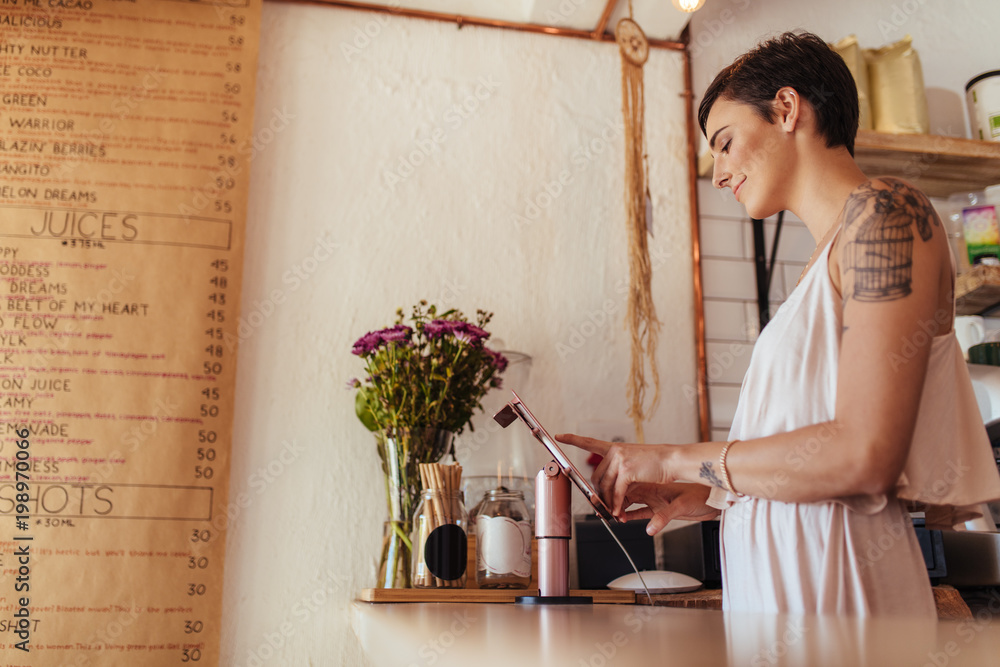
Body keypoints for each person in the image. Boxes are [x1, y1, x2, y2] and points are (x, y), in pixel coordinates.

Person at [558, 31, 1000, 617]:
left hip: (851, 618)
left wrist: (673, 458)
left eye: (725, 142)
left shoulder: (887, 212)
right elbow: (811, 464)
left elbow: (864, 459)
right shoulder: (814, 273)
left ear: (787, 109)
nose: (718, 174)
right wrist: (703, 497)